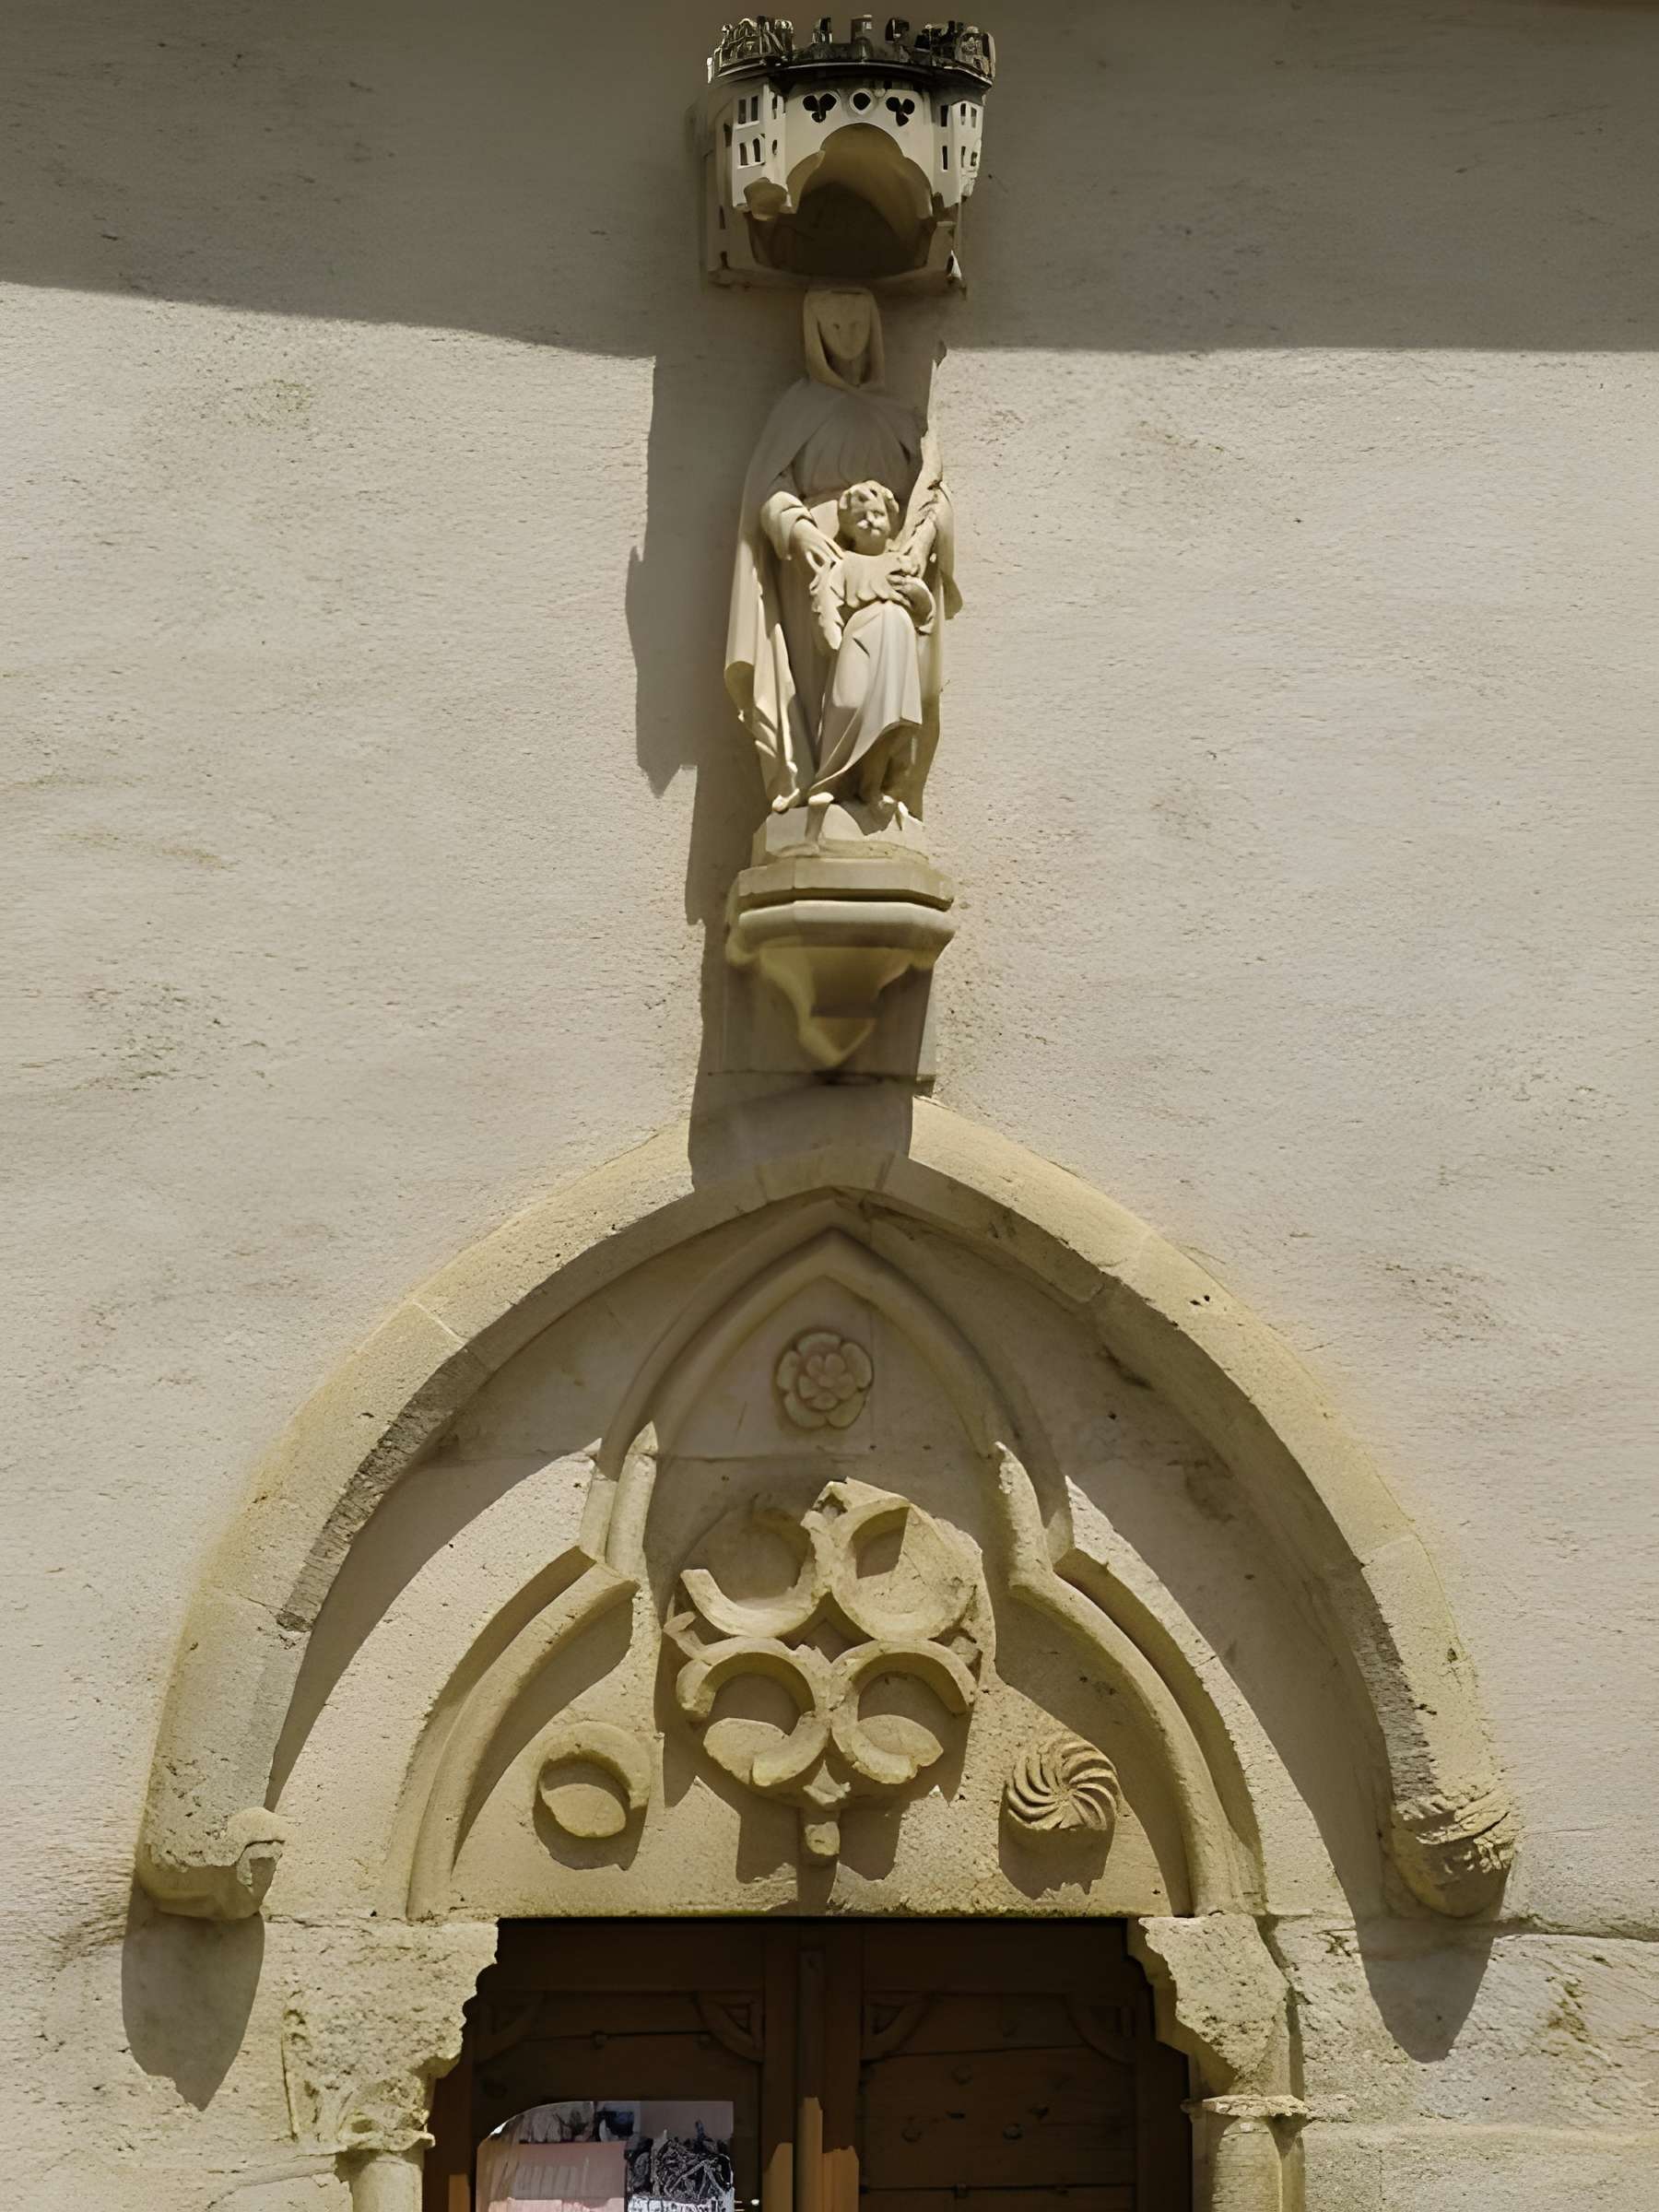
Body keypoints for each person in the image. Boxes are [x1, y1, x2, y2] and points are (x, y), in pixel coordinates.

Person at [725, 285, 958, 816]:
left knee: (893, 675)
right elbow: (768, 486)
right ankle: (820, 784)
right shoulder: (797, 409)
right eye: (834, 329)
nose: (847, 341)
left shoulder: (898, 415)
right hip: (815, 562)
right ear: (815, 336)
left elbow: (931, 493)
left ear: (873, 332)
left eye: (856, 328)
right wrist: (800, 530)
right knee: (825, 689)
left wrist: (921, 541)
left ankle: (876, 786)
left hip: (887, 560)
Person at [806, 479, 935, 816]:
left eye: (877, 514)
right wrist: (829, 629)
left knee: (890, 718)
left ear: (891, 520)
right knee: (847, 704)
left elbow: (924, 608)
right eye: (861, 519)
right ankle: (832, 780)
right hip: (861, 635)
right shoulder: (844, 563)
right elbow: (826, 599)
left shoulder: (902, 563)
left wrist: (921, 599)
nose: (871, 522)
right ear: (849, 530)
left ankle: (873, 788)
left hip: (897, 639)